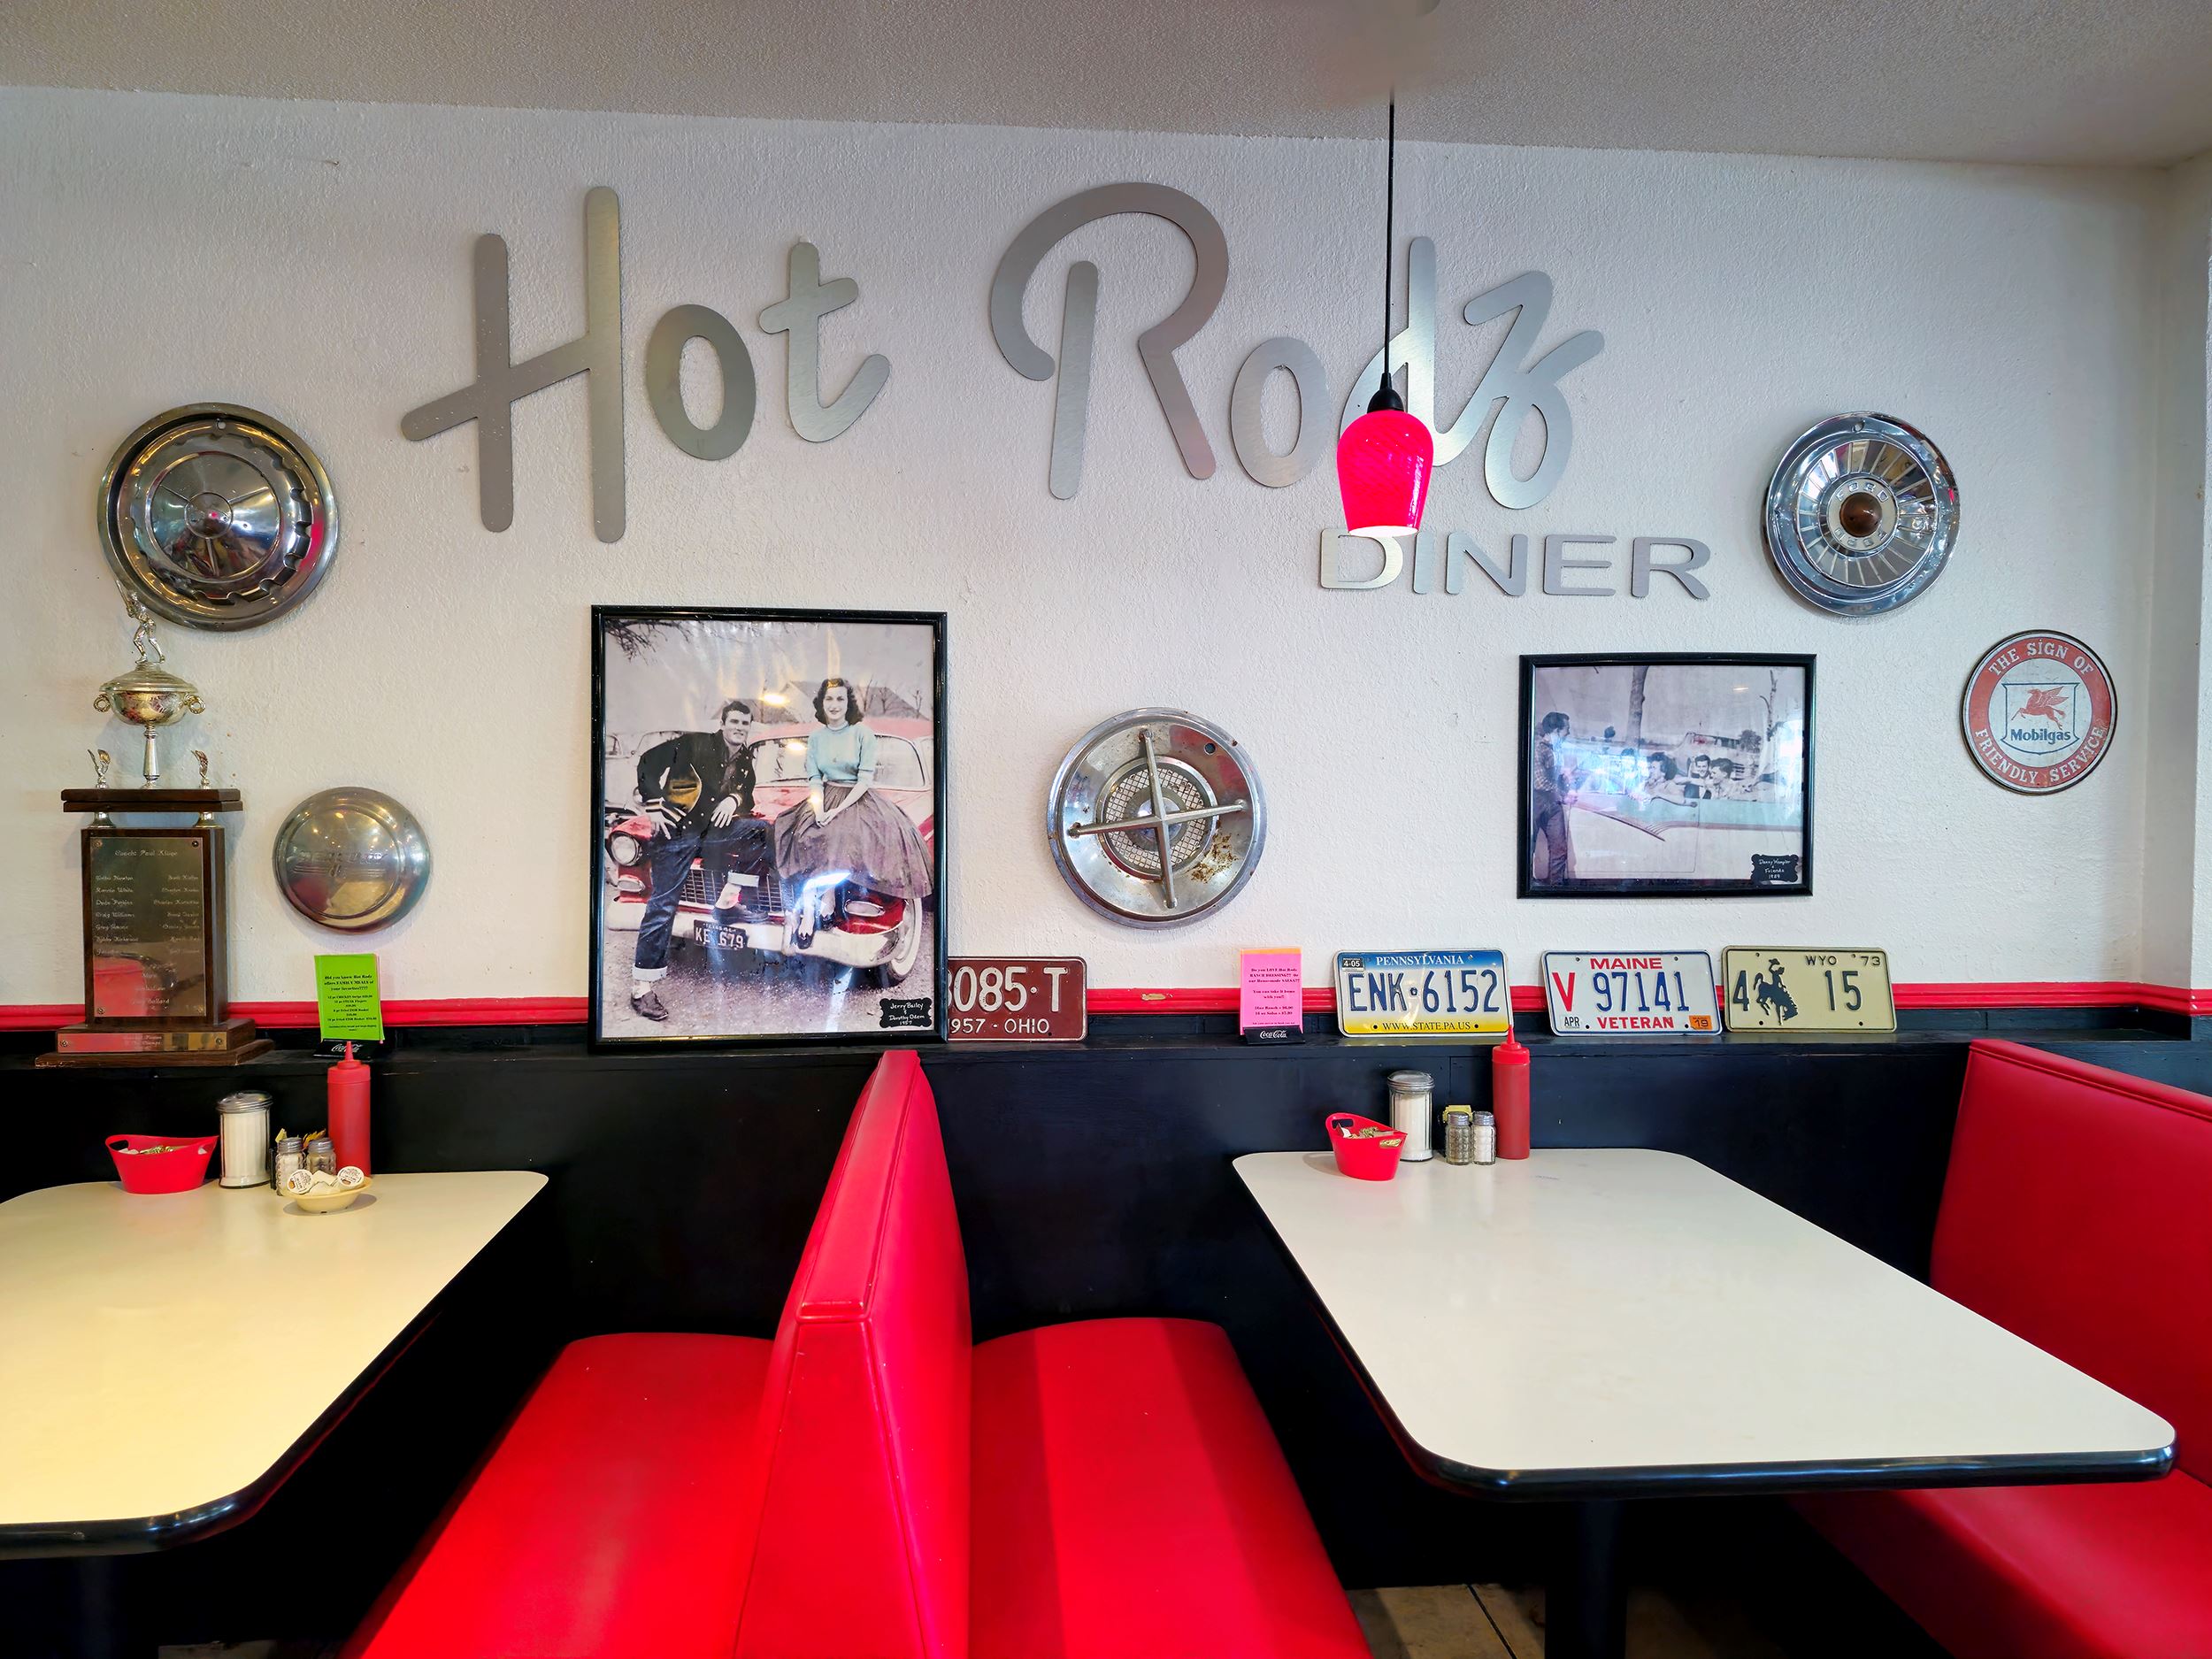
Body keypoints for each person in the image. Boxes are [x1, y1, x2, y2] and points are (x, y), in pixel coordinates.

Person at [626, 699, 771, 1023]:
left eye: (745, 724)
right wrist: (652, 805)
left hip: (712, 832)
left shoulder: (745, 757)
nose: (739, 728)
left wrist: (734, 798)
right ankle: (641, 989)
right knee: (664, 904)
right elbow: (649, 761)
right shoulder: (695, 743)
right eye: (734, 722)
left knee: (761, 831)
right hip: (677, 830)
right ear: (723, 723)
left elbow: (747, 790)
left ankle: (727, 900)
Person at [772, 678, 933, 948]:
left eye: (840, 699)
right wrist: (820, 807)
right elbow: (814, 778)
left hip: (857, 799)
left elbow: (864, 780)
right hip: (823, 795)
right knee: (800, 835)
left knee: (843, 835)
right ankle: (811, 908)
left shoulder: (862, 734)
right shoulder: (817, 737)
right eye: (829, 699)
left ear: (848, 704)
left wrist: (836, 810)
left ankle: (827, 897)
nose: (834, 705)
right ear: (821, 703)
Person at [1530, 710, 1574, 885]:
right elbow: (1539, 782)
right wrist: (1562, 793)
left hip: (1553, 804)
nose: (1568, 733)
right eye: (1566, 729)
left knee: (1559, 848)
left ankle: (1556, 887)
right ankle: (1527, 885)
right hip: (1535, 803)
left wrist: (1567, 780)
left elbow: (1556, 778)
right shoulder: (1537, 749)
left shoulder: (1558, 750)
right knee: (1528, 845)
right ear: (1556, 730)